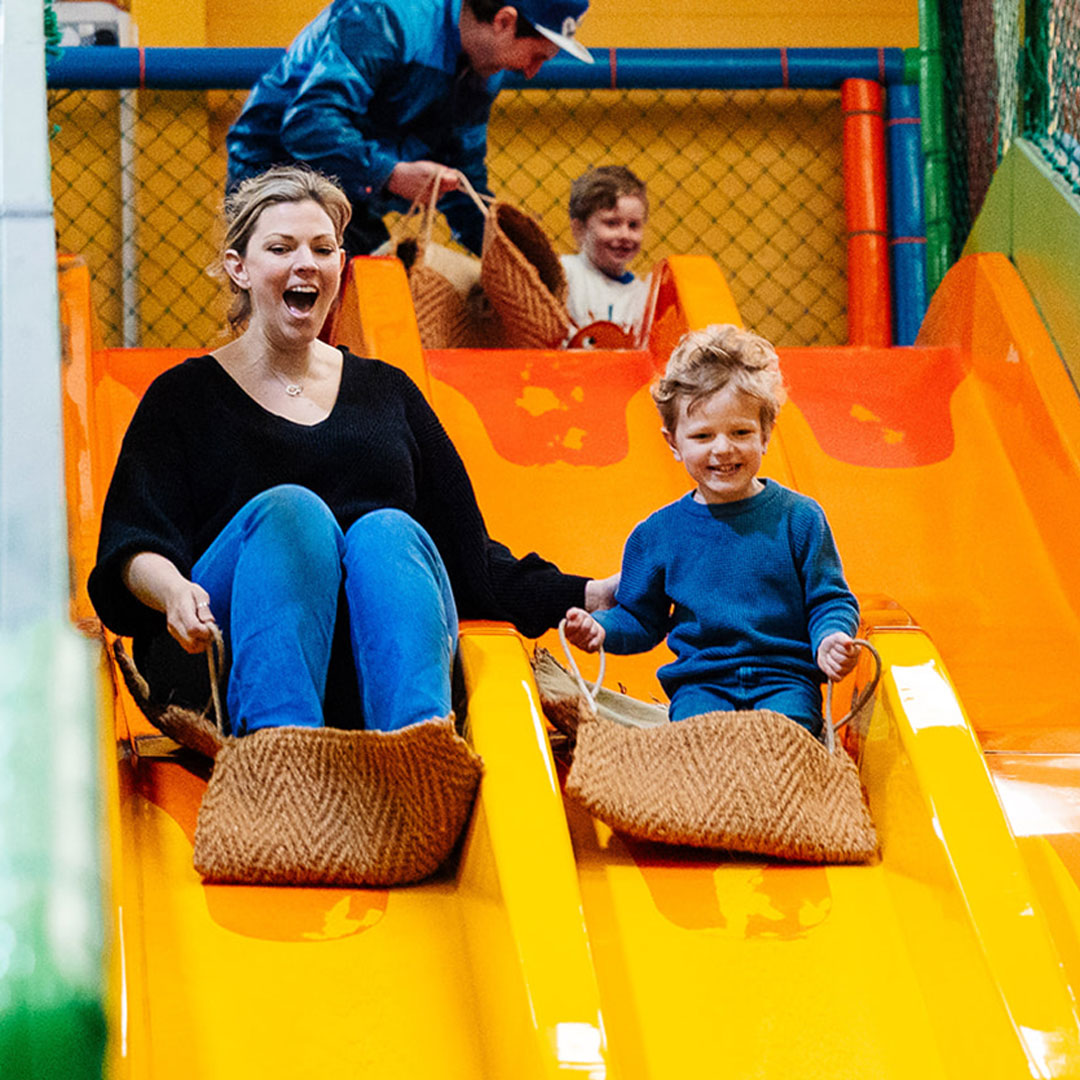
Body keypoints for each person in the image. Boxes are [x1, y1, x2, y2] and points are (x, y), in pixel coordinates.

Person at [88, 165, 615, 736]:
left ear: (341, 264)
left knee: (389, 531)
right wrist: (173, 592)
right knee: (292, 512)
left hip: (365, 670)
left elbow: (470, 558)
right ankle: (282, 747)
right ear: (240, 268)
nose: (305, 263)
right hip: (224, 656)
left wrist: (590, 592)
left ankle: (417, 746)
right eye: (281, 247)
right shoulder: (185, 397)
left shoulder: (387, 393)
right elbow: (132, 544)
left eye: (322, 247)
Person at [563, 324, 860, 737]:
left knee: (786, 740)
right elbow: (640, 618)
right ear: (673, 442)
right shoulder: (658, 535)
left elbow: (830, 599)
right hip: (700, 685)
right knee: (696, 745)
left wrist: (831, 637)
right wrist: (603, 630)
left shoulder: (800, 518)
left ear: (766, 434)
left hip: (785, 681)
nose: (723, 449)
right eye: (702, 435)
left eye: (740, 432)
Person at [226, 0, 593, 259]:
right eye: (537, 56)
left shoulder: (485, 70)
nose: (532, 72)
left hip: (350, 192)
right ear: (503, 21)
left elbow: (463, 175)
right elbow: (310, 123)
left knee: (374, 310)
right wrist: (391, 174)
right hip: (272, 177)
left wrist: (509, 256)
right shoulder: (387, 16)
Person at [560, 165, 651, 337]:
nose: (625, 235)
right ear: (579, 229)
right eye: (612, 223)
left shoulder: (643, 295)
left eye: (633, 225)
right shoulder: (565, 274)